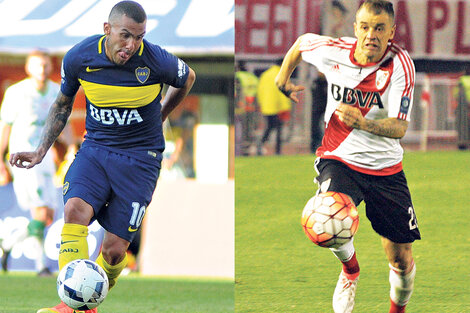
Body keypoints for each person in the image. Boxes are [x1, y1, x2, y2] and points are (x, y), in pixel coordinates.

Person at [9, 1, 195, 313]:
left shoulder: (154, 59)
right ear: (107, 29)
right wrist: (42, 150)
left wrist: (161, 115)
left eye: (139, 37)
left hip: (141, 159)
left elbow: (187, 78)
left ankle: (86, 304)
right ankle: (72, 305)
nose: (132, 45)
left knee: (113, 250)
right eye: (125, 36)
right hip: (96, 149)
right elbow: (63, 104)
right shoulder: (80, 58)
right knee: (75, 210)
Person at [275, 1, 419, 312]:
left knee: (401, 260)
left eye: (380, 28)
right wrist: (281, 79)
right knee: (327, 218)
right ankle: (350, 271)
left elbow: (400, 127)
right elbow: (300, 44)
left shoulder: (400, 65)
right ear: (355, 28)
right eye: (365, 27)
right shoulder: (334, 50)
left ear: (391, 32)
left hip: (386, 169)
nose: (371, 35)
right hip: (339, 158)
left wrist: (364, 123)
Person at [0, 50, 68, 276]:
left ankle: (8, 245)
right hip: (23, 158)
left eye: (46, 65)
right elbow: (6, 126)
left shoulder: (56, 91)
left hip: (45, 158)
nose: (43, 70)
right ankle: (40, 266)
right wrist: (0, 158)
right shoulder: (17, 92)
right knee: (40, 212)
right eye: (38, 65)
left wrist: (70, 146)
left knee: (48, 215)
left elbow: (62, 121)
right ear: (29, 68)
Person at [257, 63, 291, 155]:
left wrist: (261, 104)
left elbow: (260, 90)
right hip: (278, 107)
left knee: (269, 127)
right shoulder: (282, 75)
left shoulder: (265, 75)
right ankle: (277, 150)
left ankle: (260, 145)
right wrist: (285, 107)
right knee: (278, 129)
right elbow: (283, 93)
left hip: (267, 106)